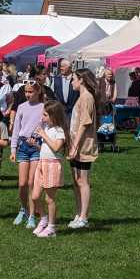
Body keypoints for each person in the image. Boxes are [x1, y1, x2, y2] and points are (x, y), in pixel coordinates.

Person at [29, 100, 71, 238]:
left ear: (54, 116)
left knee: (49, 199)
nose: (43, 118)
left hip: (52, 165)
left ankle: (51, 228)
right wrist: (36, 144)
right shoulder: (47, 129)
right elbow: (47, 149)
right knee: (35, 196)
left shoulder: (59, 131)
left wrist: (43, 135)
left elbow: (56, 148)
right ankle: (44, 219)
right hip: (42, 163)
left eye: (45, 115)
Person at [10, 79, 45, 229]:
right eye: (26, 92)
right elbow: (16, 129)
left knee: (32, 182)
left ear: (38, 91)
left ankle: (32, 215)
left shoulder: (44, 107)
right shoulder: (22, 107)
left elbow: (47, 127)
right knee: (22, 183)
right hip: (23, 146)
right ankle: (23, 209)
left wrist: (40, 141)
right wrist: (13, 149)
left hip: (36, 145)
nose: (28, 94)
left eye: (31, 91)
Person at [68, 68, 100, 229]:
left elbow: (84, 124)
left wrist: (75, 146)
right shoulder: (82, 98)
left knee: (82, 181)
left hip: (83, 146)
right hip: (76, 144)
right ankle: (79, 213)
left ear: (81, 80)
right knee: (76, 180)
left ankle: (84, 217)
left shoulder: (87, 98)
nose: (71, 82)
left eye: (73, 79)